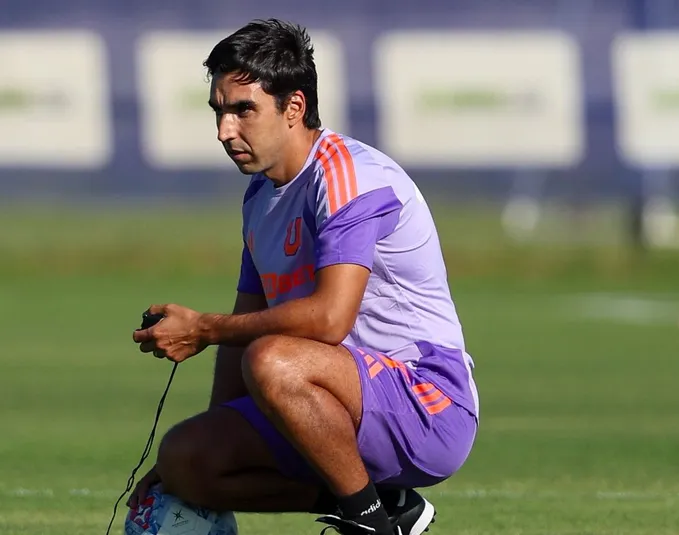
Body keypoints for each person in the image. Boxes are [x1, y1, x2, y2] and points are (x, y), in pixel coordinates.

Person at [129, 18, 479, 535]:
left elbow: (330, 320)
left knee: (272, 358)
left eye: (242, 110)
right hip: (323, 402)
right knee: (186, 457)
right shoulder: (259, 197)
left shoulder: (347, 176)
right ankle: (386, 507)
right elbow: (243, 327)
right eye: (218, 111)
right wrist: (214, 439)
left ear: (294, 107)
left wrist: (202, 328)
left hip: (426, 405)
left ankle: (370, 526)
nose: (225, 130)